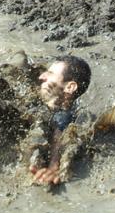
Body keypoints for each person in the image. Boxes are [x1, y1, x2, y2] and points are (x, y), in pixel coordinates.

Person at [30, 55, 91, 185]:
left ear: (70, 87)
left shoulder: (64, 115)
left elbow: (60, 131)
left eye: (50, 74)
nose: (41, 77)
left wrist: (54, 165)